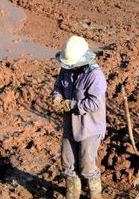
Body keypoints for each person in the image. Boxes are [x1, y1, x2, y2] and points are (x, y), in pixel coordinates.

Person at [50, 35, 107, 199]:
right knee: (68, 163)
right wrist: (57, 97)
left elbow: (95, 104)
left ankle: (95, 195)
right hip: (70, 125)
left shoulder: (94, 76)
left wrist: (71, 105)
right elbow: (59, 87)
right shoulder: (66, 70)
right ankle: (72, 194)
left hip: (89, 128)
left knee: (87, 166)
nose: (69, 66)